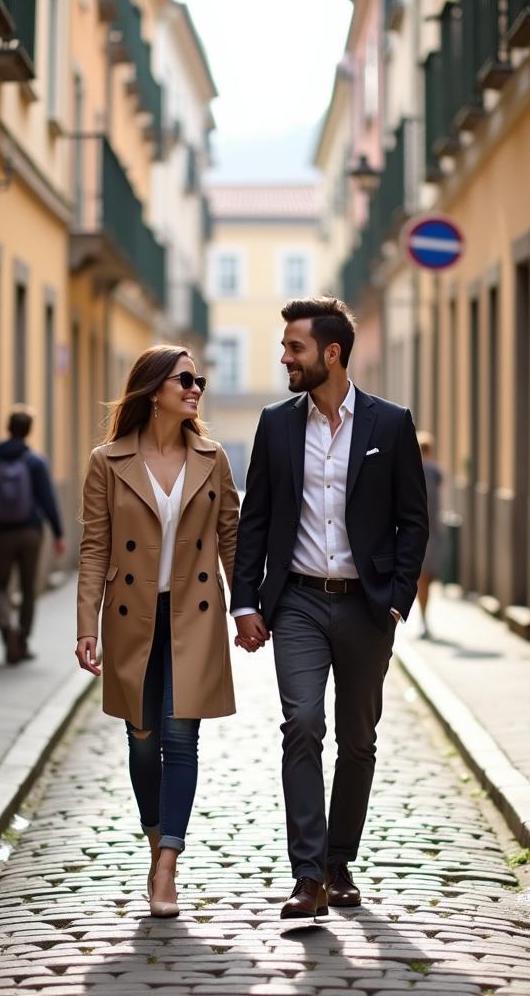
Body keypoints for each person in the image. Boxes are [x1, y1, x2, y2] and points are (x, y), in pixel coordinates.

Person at [231, 296, 428, 919]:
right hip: (297, 604)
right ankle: (308, 875)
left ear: (331, 354)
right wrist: (245, 602)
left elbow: (413, 521)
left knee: (358, 740)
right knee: (302, 726)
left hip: (367, 608)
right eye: (285, 346)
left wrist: (397, 600)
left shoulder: (390, 424)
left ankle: (341, 863)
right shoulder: (276, 423)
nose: (284, 357)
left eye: (295, 347)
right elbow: (254, 520)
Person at [74, 345, 239, 918]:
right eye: (185, 379)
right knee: (142, 741)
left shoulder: (213, 457)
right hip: (131, 619)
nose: (196, 388)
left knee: (179, 737)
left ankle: (167, 861)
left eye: (199, 379)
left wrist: (246, 609)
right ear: (153, 390)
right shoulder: (108, 460)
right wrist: (85, 624)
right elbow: (95, 546)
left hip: (193, 616)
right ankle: (154, 837)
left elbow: (231, 539)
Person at [0, 405, 64, 664]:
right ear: (29, 431)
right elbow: (48, 500)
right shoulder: (35, 461)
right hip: (30, 532)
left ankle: (6, 628)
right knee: (28, 588)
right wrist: (58, 534)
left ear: (8, 428)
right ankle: (22, 641)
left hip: (1, 533)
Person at [416, 432, 445, 640]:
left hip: (418, 532)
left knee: (422, 579)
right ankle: (424, 618)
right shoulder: (435, 471)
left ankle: (423, 617)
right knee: (428, 577)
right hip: (434, 532)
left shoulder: (414, 470)